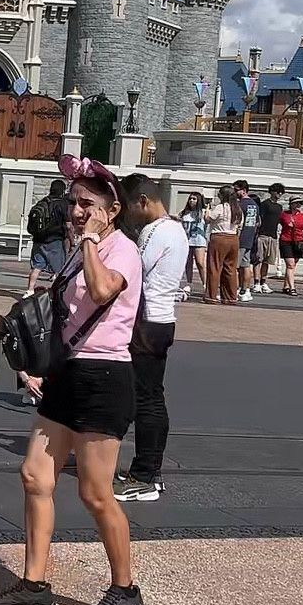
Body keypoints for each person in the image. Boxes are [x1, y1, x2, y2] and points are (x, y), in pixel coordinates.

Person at [0, 154, 147, 605]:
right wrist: (35, 363)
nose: (75, 211)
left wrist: (91, 239)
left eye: (87, 203)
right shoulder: (79, 248)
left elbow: (100, 293)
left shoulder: (122, 251)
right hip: (68, 375)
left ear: (111, 210)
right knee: (35, 475)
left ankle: (126, 590)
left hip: (104, 379)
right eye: (73, 202)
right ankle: (34, 586)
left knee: (96, 493)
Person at [114, 175, 188, 504]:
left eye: (130, 207)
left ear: (143, 201)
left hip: (148, 322)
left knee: (146, 399)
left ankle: (144, 474)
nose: (129, 215)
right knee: (148, 396)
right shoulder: (174, 229)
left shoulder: (155, 231)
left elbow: (132, 272)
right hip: (160, 320)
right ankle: (147, 470)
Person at [26, 178, 69, 293]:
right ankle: (58, 293)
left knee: (37, 267)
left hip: (38, 241)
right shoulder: (62, 204)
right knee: (60, 270)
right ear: (62, 191)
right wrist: (71, 239)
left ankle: (29, 290)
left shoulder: (42, 202)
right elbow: (68, 225)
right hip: (55, 241)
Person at [203, 186, 241, 304]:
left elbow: (208, 219)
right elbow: (240, 226)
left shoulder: (220, 207)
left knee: (214, 267)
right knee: (230, 269)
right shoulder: (237, 209)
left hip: (219, 237)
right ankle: (230, 296)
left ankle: (211, 296)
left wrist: (207, 208)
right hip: (233, 238)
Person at [234, 180, 261, 304]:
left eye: (236, 190)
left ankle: (233, 290)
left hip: (240, 238)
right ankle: (245, 289)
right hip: (250, 237)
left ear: (243, 190)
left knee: (234, 266)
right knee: (246, 266)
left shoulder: (240, 204)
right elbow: (257, 222)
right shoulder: (254, 205)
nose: (235, 193)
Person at [255, 184, 285, 293]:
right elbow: (259, 219)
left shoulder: (279, 207)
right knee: (258, 260)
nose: (279, 194)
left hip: (273, 236)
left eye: (281, 192)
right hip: (262, 235)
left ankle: (263, 281)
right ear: (272, 191)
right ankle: (256, 282)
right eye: (277, 192)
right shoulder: (265, 204)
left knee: (267, 261)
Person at [179, 191, 208, 299]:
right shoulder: (184, 213)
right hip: (187, 240)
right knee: (188, 263)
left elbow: (209, 221)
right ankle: (188, 283)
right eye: (190, 198)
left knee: (200, 263)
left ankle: (205, 284)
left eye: (194, 199)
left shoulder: (203, 212)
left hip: (199, 241)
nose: (191, 201)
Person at [279, 196, 303, 296]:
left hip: (298, 241)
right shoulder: (284, 214)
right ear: (291, 204)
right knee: (290, 264)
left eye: (299, 203)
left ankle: (286, 285)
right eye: (296, 203)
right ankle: (292, 287)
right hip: (286, 240)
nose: (298, 205)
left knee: (293, 265)